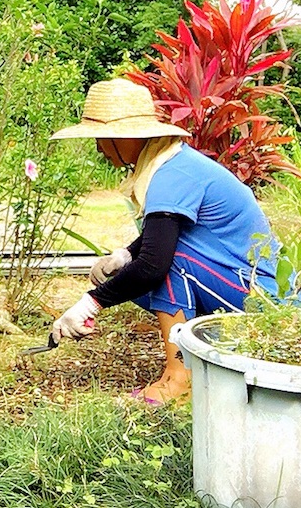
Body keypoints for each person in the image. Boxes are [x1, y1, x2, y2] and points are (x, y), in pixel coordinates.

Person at [50, 78, 288, 405]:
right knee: (132, 270)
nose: (98, 148)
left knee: (162, 265)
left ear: (125, 138)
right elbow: (166, 233)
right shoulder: (171, 162)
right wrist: (123, 255)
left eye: (101, 139)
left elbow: (156, 262)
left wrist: (89, 303)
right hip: (240, 285)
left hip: (266, 302)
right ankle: (188, 364)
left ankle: (180, 380)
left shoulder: (171, 174)